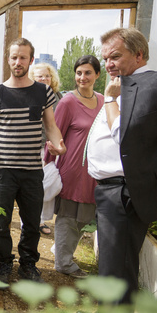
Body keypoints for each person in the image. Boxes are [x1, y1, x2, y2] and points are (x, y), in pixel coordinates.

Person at [68, 27, 157, 313]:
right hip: (110, 190)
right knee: (112, 263)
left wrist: (109, 99)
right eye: (105, 57)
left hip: (126, 192)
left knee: (116, 268)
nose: (108, 63)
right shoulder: (121, 86)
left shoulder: (156, 82)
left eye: (115, 56)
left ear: (139, 54)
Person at [0, 38, 66, 284]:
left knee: (32, 222)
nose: (18, 61)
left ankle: (28, 265)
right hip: (3, 170)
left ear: (30, 60)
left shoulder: (43, 92)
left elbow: (51, 126)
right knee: (2, 222)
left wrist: (59, 144)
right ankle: (3, 264)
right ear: (8, 59)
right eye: (14, 57)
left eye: (23, 57)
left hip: (33, 170)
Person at [44, 55, 104, 278]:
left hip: (94, 171)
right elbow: (53, 134)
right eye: (79, 73)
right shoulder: (68, 102)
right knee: (69, 216)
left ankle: (62, 252)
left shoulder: (103, 101)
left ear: (97, 75)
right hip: (72, 169)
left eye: (88, 72)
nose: (82, 77)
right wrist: (48, 166)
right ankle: (64, 263)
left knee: (85, 216)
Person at [30, 63, 64, 236]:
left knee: (50, 183)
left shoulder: (58, 97)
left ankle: (41, 218)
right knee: (36, 185)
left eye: (47, 76)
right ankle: (30, 220)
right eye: (39, 76)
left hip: (53, 146)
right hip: (37, 146)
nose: (44, 79)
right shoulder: (30, 95)